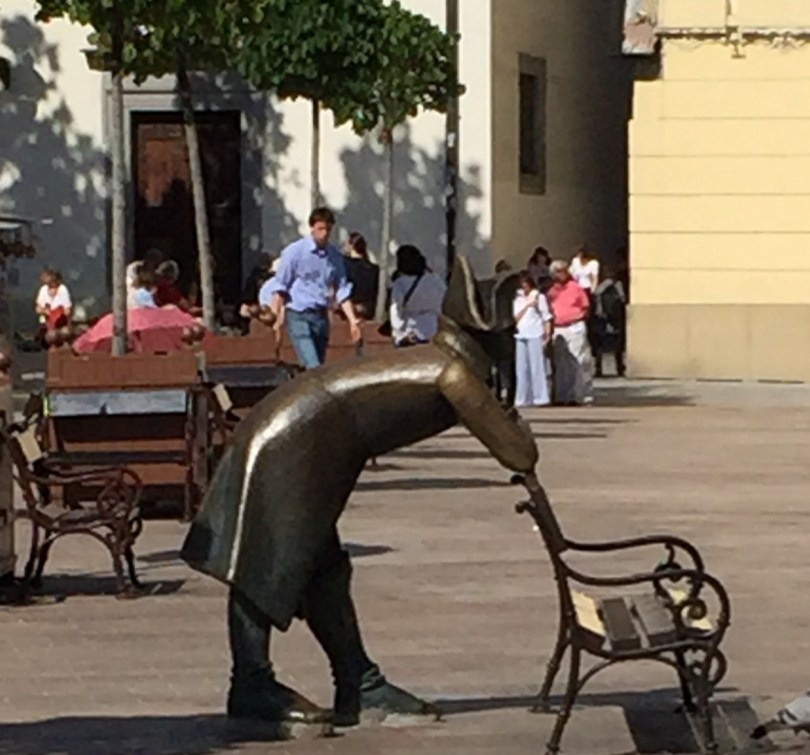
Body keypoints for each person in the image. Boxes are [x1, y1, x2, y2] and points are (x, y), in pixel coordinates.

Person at [181, 257, 538, 728]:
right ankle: (252, 683)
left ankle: (357, 681)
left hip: (311, 430)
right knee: (266, 561)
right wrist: (508, 414)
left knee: (322, 568)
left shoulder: (444, 361)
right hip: (301, 434)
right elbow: (520, 454)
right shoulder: (453, 374)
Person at [270, 207, 360, 369]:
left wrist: (353, 321)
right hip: (299, 314)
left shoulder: (334, 256)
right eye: (320, 229)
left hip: (321, 316)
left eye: (328, 229)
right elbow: (281, 286)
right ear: (312, 228)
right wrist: (275, 318)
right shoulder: (295, 252)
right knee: (314, 366)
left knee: (317, 368)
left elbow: (342, 288)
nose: (324, 233)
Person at [547, 260, 593, 406]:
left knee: (579, 362)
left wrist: (578, 317)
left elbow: (586, 308)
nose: (559, 274)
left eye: (561, 271)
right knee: (560, 364)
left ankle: (580, 396)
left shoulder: (576, 288)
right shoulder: (551, 291)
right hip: (558, 328)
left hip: (574, 327)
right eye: (556, 272)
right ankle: (561, 396)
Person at [389, 245, 446, 347]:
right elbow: (444, 300)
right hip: (434, 329)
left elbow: (396, 309)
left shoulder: (400, 283)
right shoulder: (436, 280)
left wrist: (398, 334)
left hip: (411, 332)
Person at [513, 272, 552, 407]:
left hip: (535, 333)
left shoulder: (539, 297)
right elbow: (515, 317)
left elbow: (546, 317)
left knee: (537, 366)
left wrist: (547, 333)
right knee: (521, 368)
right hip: (520, 333)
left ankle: (540, 397)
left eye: (527, 286)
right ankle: (522, 397)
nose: (525, 289)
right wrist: (527, 305)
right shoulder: (517, 299)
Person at [592, 265, 627, 377]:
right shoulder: (616, 285)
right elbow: (622, 298)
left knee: (601, 344)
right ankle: (618, 368)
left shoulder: (601, 287)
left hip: (605, 317)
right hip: (613, 317)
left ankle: (600, 368)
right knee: (615, 344)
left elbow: (595, 295)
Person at [343, 232, 380, 320]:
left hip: (347, 310)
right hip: (368, 310)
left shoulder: (343, 265)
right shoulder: (374, 269)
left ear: (350, 245)